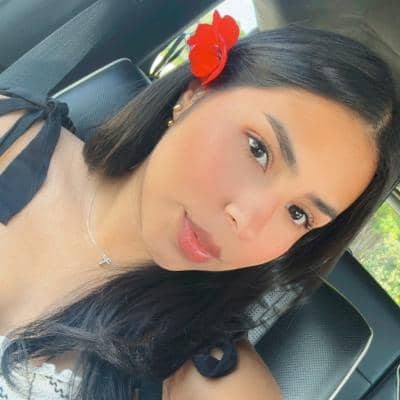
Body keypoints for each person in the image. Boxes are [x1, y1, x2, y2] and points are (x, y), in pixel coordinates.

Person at [0, 9, 399, 400]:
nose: (246, 221)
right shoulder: (9, 135)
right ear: (194, 96)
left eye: (298, 214)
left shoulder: (215, 380)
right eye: (258, 150)